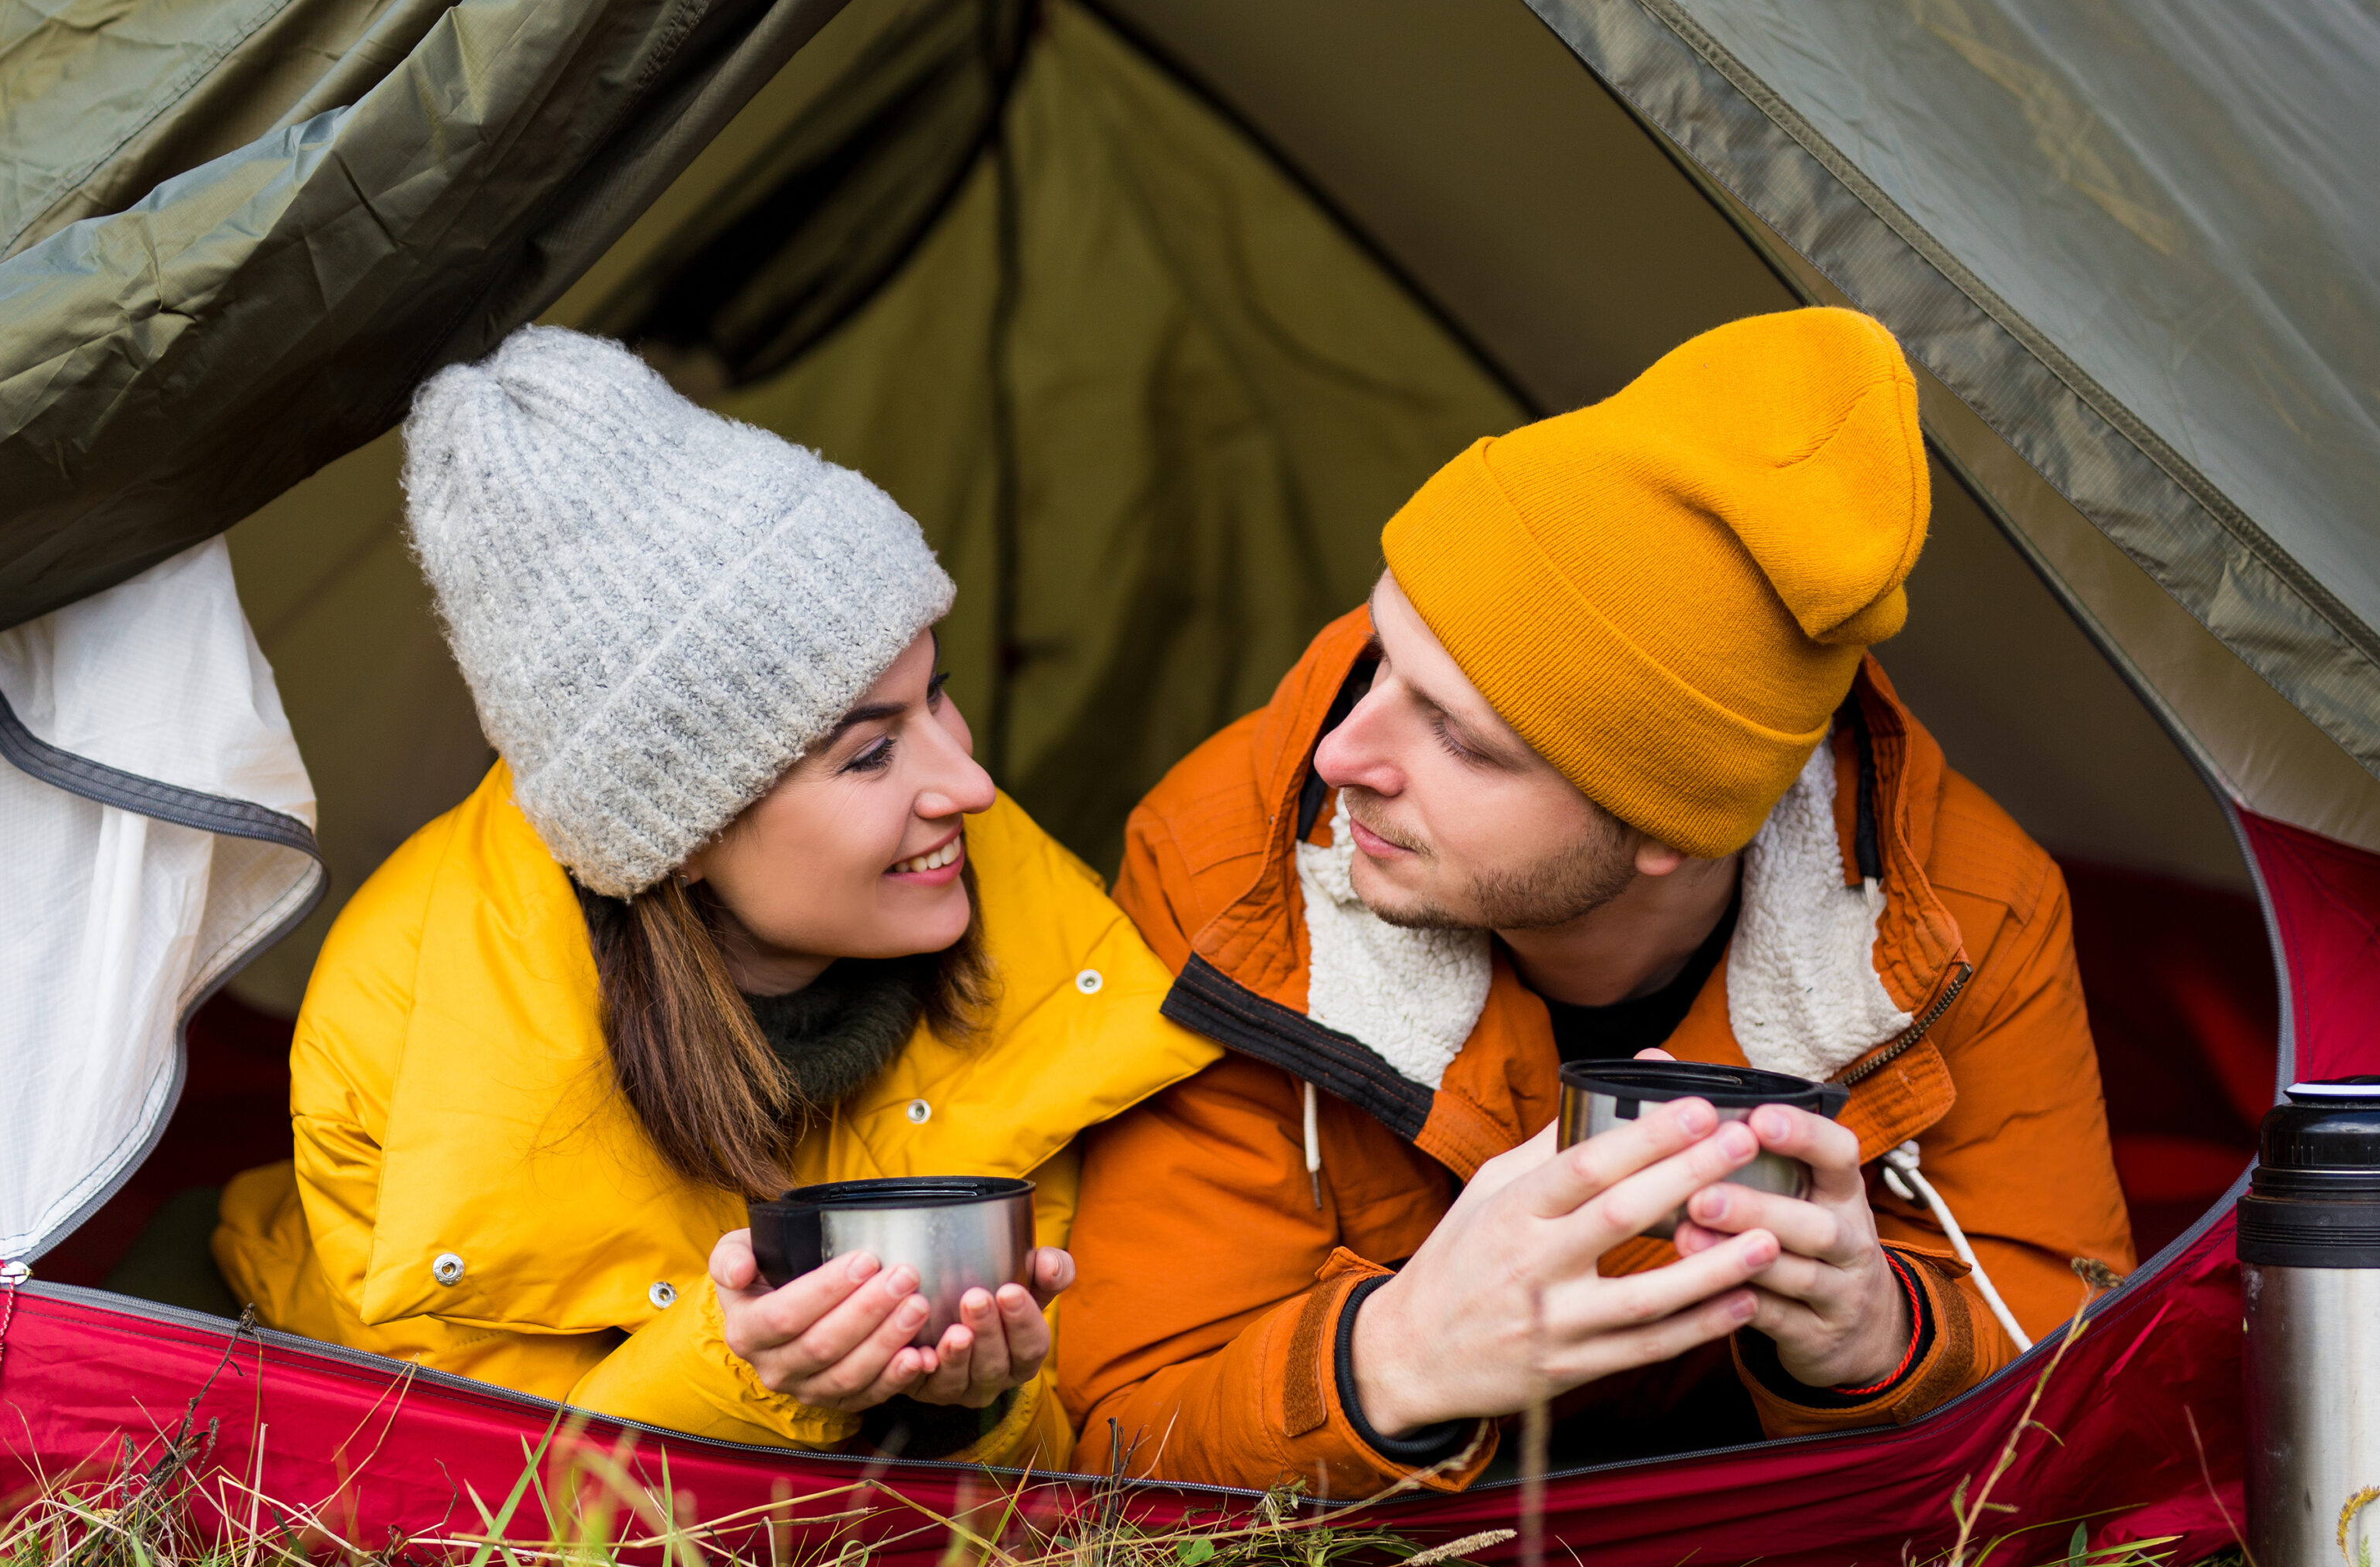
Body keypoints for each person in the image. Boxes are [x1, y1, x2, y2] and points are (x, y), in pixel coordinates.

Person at [1055, 308, 2134, 1494]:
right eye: (1381, 657)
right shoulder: (1230, 871)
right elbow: (1126, 1434)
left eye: (1460, 740)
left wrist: (1887, 1344)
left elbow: (2082, 1395)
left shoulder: (1956, 914)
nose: (1340, 757)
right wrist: (1393, 1362)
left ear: (1667, 827)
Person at [215, 329, 1213, 1467]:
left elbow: (1102, 1429)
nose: (971, 785)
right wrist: (740, 1382)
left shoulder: (1034, 919)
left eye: (938, 699)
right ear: (680, 836)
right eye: (870, 755)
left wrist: (972, 1411)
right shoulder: (411, 1036)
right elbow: (486, 1517)